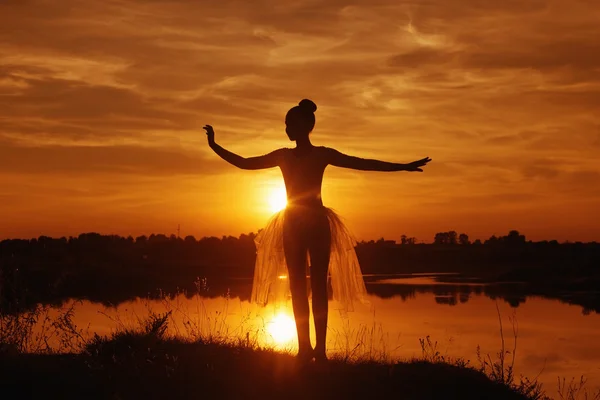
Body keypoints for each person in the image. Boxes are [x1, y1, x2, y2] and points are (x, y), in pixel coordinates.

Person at [204, 99, 431, 362]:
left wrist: (402, 166)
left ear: (305, 126)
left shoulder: (321, 154)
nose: (287, 128)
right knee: (298, 286)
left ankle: (320, 351)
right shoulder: (283, 155)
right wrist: (214, 145)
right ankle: (304, 349)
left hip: (316, 224)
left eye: (290, 123)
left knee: (320, 287)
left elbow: (362, 162)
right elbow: (244, 163)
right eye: (286, 124)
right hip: (291, 224)